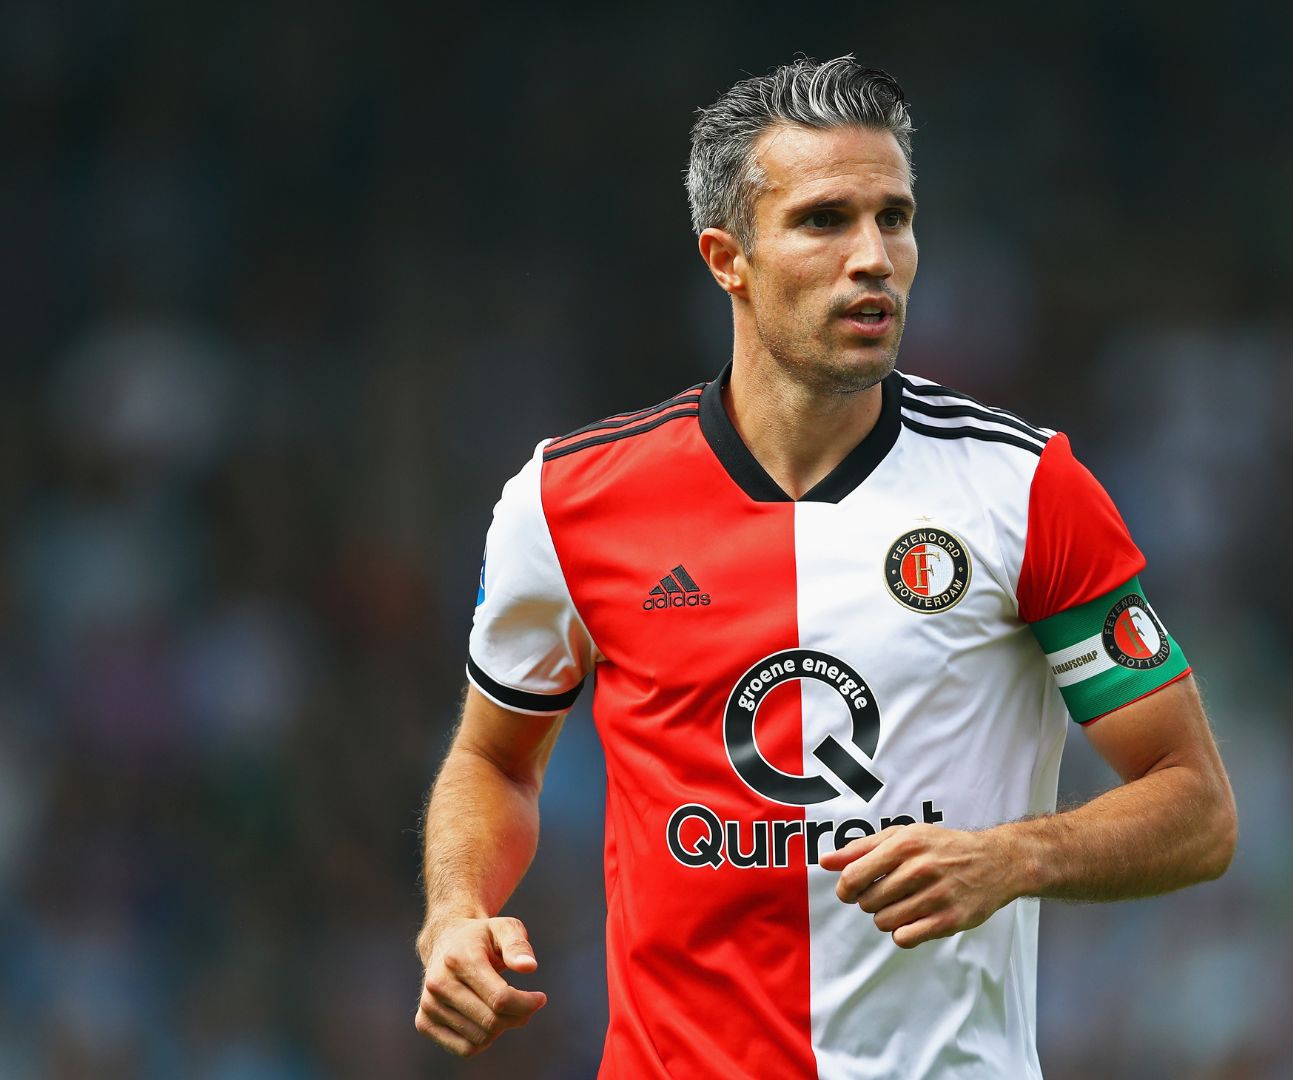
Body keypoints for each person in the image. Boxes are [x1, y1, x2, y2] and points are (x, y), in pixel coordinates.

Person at [414, 55, 1237, 1078]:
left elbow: (1196, 807)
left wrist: (1012, 857)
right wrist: (456, 910)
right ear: (727, 258)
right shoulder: (567, 500)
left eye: (893, 218)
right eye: (823, 220)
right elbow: (494, 760)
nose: (873, 257)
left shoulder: (1024, 490)